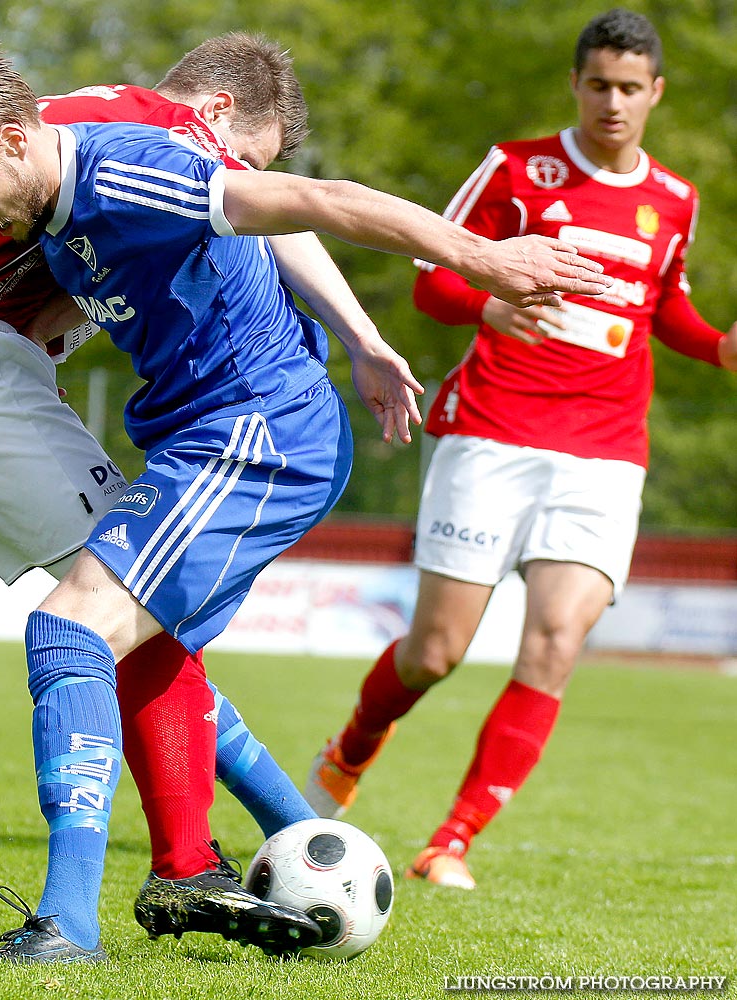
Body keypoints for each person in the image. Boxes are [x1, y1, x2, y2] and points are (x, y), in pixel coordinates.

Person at [0, 34, 609, 962]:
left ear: (12, 136)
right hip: (199, 437)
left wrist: (476, 259)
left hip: (258, 434)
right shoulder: (41, 198)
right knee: (128, 647)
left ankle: (72, 922)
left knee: (68, 628)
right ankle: (291, 844)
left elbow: (318, 202)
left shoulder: (130, 168)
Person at [0, 33, 379, 956]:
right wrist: (361, 336)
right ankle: (194, 860)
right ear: (217, 115)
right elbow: (280, 213)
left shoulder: (31, 130)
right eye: (246, 153)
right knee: (123, 612)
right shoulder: (153, 129)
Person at [304, 8, 737, 891]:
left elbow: (666, 315)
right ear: (576, 84)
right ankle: (350, 752)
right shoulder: (516, 168)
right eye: (597, 84)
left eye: (629, 88)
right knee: (434, 653)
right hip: (494, 432)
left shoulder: (674, 199)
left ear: (654, 93)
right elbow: (433, 281)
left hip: (607, 451)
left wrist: (720, 346)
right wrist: (485, 303)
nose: (612, 102)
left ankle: (450, 842)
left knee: (553, 645)